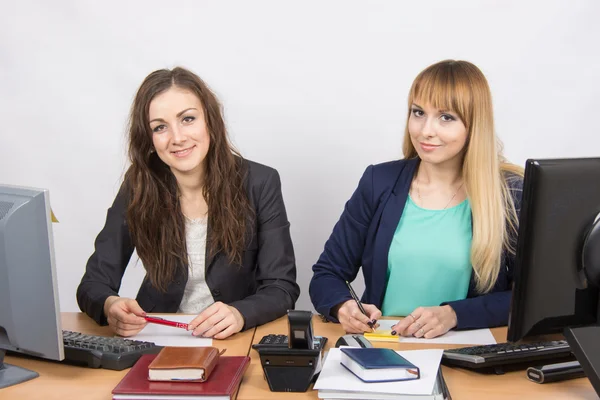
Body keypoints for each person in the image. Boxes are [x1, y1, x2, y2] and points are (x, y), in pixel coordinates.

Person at [77, 67, 300, 339]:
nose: (178, 138)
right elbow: (93, 284)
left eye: (188, 119)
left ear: (210, 121)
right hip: (156, 335)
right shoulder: (138, 184)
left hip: (233, 338)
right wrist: (109, 304)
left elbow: (282, 288)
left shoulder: (260, 182)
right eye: (160, 127)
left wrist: (240, 313)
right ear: (149, 139)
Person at [309, 60, 523, 339]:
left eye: (446, 117)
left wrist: (454, 314)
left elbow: (532, 296)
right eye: (418, 113)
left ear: (474, 126)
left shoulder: (509, 193)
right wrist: (343, 306)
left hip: (468, 352)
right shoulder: (379, 182)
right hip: (386, 346)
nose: (425, 130)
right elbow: (327, 273)